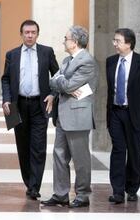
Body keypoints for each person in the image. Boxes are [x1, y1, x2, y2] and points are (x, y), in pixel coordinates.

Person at [41, 25, 98, 208]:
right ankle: (60, 194)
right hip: (63, 115)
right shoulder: (66, 60)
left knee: (80, 158)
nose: (63, 41)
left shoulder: (87, 61)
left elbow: (66, 85)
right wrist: (62, 83)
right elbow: (54, 80)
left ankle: (82, 194)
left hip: (78, 116)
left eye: (65, 38)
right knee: (59, 155)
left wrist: (62, 83)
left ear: (74, 42)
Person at [1, 20, 59, 200]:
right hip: (18, 106)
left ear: (37, 34)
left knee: (38, 147)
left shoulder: (46, 52)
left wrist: (53, 94)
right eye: (26, 32)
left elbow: (57, 76)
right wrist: (6, 99)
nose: (30, 35)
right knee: (23, 146)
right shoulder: (12, 54)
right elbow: (5, 79)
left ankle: (34, 186)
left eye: (33, 32)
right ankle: (28, 181)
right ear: (21, 34)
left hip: (39, 105)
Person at [106, 28, 140, 204]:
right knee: (118, 150)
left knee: (134, 152)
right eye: (114, 40)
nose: (114, 44)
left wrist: (137, 105)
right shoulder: (110, 61)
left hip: (134, 114)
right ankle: (117, 191)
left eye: (117, 41)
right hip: (116, 113)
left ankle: (132, 188)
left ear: (128, 43)